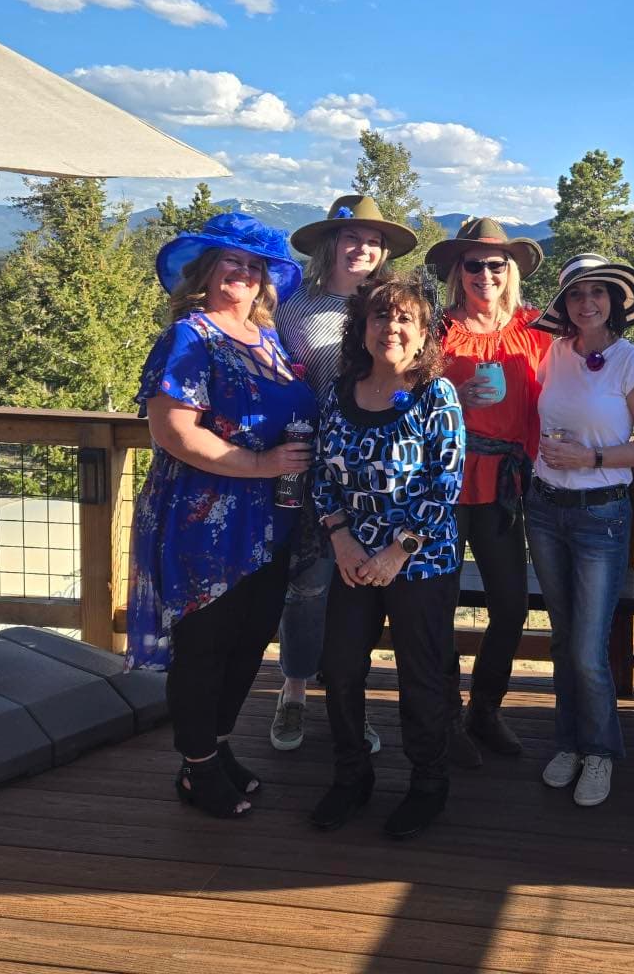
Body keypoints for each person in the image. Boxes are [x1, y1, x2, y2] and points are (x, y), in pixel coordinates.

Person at [126, 212, 317, 820]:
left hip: (272, 518)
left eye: (255, 265)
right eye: (232, 261)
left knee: (248, 641)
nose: (244, 273)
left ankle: (218, 746)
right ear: (206, 271)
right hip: (204, 516)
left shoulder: (269, 340)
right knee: (205, 645)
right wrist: (260, 464)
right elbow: (173, 431)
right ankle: (197, 766)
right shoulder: (191, 337)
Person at [309, 273, 466, 840]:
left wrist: (398, 551)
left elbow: (446, 484)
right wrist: (341, 539)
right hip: (354, 558)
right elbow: (322, 473)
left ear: (423, 333)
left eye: (405, 319)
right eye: (381, 316)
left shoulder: (435, 395)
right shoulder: (340, 391)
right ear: (362, 327)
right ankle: (352, 775)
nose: (391, 328)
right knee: (341, 668)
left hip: (420, 562)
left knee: (420, 675)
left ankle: (428, 784)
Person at [270, 194, 417, 757]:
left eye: (373, 241)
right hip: (308, 466)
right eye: (352, 237)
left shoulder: (388, 308)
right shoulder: (292, 309)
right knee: (307, 586)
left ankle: (348, 702)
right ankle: (293, 691)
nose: (363, 248)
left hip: (376, 471)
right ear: (331, 243)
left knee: (360, 591)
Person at [527, 253, 634, 809]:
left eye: (597, 293)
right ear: (564, 304)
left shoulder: (632, 362)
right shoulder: (554, 353)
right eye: (576, 294)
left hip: (600, 516)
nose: (587, 303)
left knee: (587, 649)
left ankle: (601, 750)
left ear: (614, 300)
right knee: (564, 639)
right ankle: (569, 742)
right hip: (544, 509)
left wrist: (592, 458)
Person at [426, 217, 552, 763]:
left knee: (511, 602)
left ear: (510, 270)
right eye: (473, 264)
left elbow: (574, 380)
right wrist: (455, 396)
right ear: (459, 271)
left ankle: (485, 708)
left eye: (495, 265)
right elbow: (407, 394)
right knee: (438, 602)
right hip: (446, 481)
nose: (485, 274)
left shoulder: (535, 328)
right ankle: (445, 716)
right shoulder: (436, 330)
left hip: (505, 482)